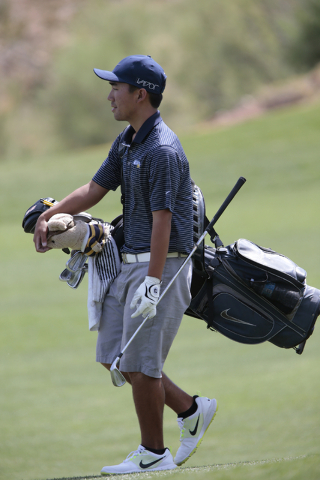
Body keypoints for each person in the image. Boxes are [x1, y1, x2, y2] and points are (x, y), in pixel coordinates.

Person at [33, 55, 218, 475]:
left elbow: (163, 220)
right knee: (113, 356)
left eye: (117, 87)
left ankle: (154, 454)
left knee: (138, 364)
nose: (110, 94)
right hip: (127, 265)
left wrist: (154, 282)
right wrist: (51, 213)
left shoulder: (162, 149)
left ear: (141, 94)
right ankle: (191, 411)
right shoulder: (129, 141)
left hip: (163, 267)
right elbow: (95, 188)